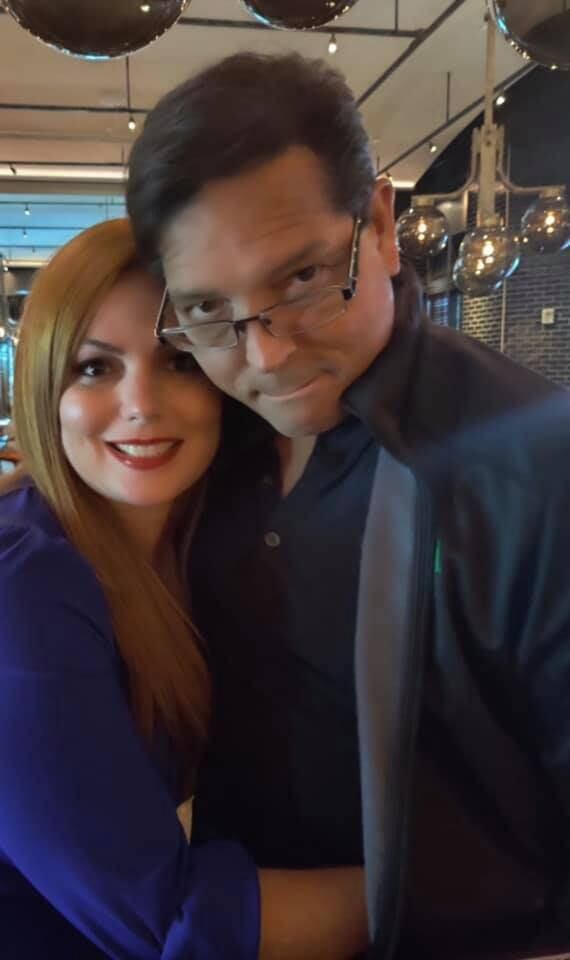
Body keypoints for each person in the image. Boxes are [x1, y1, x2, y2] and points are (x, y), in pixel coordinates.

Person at [126, 52, 570, 960]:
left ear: (380, 223)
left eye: (301, 279)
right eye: (208, 309)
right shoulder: (207, 445)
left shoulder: (534, 463)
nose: (267, 354)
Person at [0, 217, 370, 960]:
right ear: (43, 388)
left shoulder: (198, 540)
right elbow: (170, 922)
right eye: (94, 368)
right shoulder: (24, 590)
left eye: (179, 362)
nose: (142, 405)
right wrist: (462, 886)